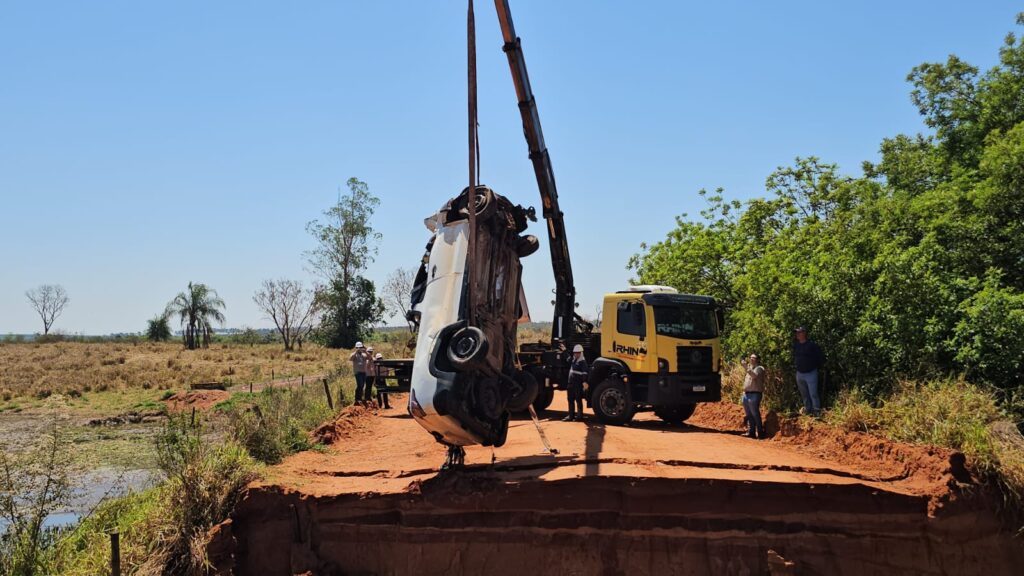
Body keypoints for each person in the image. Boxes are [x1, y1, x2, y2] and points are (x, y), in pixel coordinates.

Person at [792, 327, 824, 416]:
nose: (797, 334)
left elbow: (819, 357)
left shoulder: (811, 345)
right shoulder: (796, 345)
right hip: (799, 373)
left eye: (799, 333)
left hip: (811, 373)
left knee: (813, 393)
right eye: (796, 333)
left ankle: (817, 411)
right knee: (804, 394)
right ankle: (808, 409)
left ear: (804, 333)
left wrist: (815, 367)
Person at [740, 353, 766, 439]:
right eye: (750, 358)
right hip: (747, 394)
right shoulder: (750, 369)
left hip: (755, 394)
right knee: (749, 414)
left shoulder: (760, 368)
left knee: (755, 413)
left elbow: (754, 376)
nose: (751, 359)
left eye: (753, 358)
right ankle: (751, 432)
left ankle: (760, 432)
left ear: (758, 359)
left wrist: (745, 366)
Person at [564, 344, 589, 422]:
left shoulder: (583, 362)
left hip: (577, 384)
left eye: (578, 352)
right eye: (575, 352)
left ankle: (579, 416)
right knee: (570, 399)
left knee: (578, 399)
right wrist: (565, 351)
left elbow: (585, 373)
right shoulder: (574, 360)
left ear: (581, 353)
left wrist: (584, 382)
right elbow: (568, 359)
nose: (576, 354)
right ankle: (571, 416)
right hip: (570, 383)